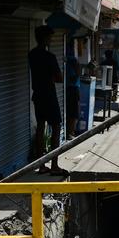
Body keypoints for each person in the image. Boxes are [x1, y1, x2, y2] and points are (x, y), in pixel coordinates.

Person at [29, 25, 66, 175]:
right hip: (49, 96)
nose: (51, 40)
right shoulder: (50, 57)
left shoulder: (32, 55)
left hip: (37, 95)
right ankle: (54, 165)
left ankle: (42, 165)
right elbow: (59, 78)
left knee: (40, 128)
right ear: (44, 38)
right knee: (56, 128)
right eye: (50, 37)